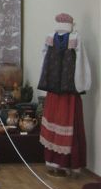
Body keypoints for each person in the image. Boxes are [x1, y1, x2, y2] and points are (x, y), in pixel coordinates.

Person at [37, 12, 91, 177]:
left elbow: (43, 59)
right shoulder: (75, 38)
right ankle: (66, 164)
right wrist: (82, 84)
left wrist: (44, 81)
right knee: (68, 123)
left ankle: (53, 162)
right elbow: (81, 63)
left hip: (54, 90)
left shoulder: (50, 38)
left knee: (55, 122)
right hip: (69, 91)